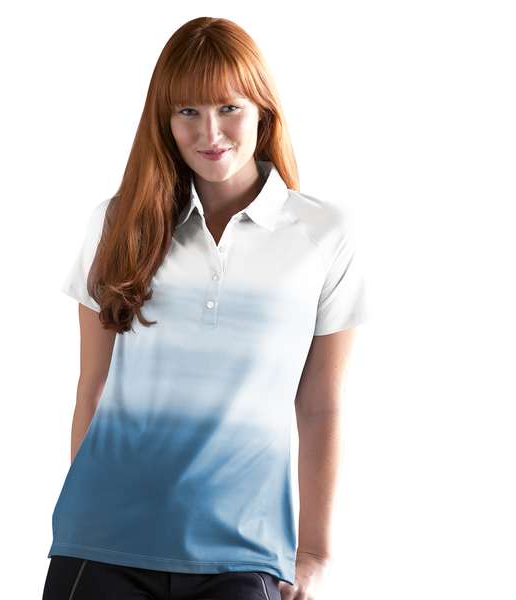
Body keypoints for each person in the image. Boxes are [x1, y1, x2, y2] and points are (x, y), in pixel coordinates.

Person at [42, 15, 369, 600]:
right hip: (103, 545)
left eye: (228, 108)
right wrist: (86, 524)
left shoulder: (323, 234)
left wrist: (315, 553)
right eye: (187, 111)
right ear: (163, 121)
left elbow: (320, 405)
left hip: (244, 550)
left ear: (263, 110)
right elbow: (92, 387)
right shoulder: (119, 223)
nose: (209, 132)